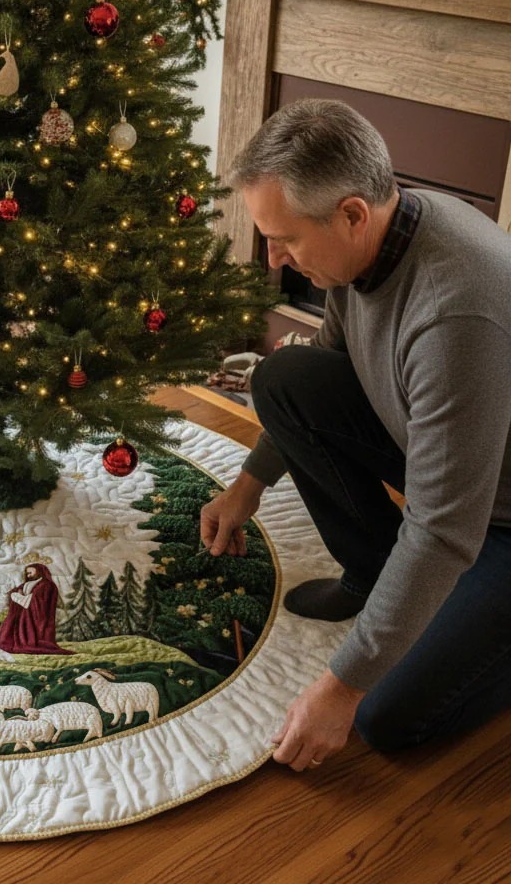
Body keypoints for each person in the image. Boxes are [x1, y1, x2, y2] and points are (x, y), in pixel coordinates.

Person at [200, 98, 511, 772]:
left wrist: (342, 686)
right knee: (285, 376)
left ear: (349, 214)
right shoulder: (369, 239)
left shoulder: (453, 316)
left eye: (286, 239)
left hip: (500, 517)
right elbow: (328, 368)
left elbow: (444, 528)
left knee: (389, 717)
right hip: (457, 471)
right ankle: (376, 577)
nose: (276, 257)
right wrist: (247, 487)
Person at [0, 563, 71, 654]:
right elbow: (18, 592)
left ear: (39, 572)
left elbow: (36, 601)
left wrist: (18, 596)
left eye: (31, 572)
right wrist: (15, 593)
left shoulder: (46, 584)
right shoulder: (27, 584)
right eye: (27, 573)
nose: (29, 575)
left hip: (37, 615)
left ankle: (32, 642)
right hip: (24, 614)